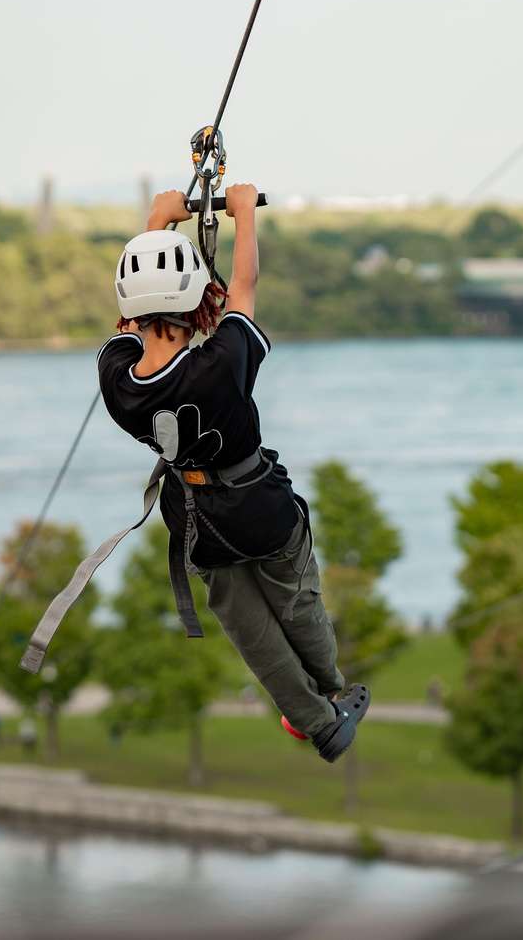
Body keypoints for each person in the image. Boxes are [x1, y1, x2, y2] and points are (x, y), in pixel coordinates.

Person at [92, 185, 368, 762]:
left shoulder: (117, 382)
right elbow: (244, 288)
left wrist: (158, 222)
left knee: (253, 634)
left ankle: (317, 723)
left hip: (196, 522)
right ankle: (333, 689)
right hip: (256, 506)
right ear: (196, 300)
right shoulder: (219, 366)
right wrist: (242, 212)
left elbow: (133, 316)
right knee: (296, 601)